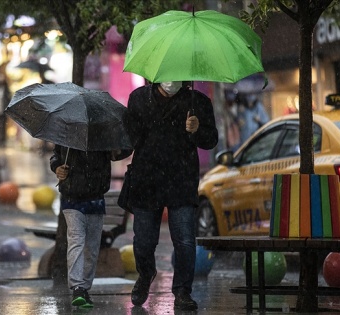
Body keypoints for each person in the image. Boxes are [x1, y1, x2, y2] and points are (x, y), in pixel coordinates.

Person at [122, 81, 218, 311]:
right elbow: (129, 138)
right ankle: (145, 274)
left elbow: (211, 139)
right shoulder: (138, 99)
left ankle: (183, 291)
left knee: (184, 240)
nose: (171, 78)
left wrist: (197, 131)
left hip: (181, 180)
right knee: (143, 241)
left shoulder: (198, 102)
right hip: (147, 180)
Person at [50, 145, 131, 309]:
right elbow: (56, 155)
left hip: (96, 196)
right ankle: (77, 288)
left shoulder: (103, 135)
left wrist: (118, 150)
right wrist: (57, 166)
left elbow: (120, 152)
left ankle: (84, 288)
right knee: (76, 241)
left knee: (92, 247)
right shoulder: (68, 130)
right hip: (71, 197)